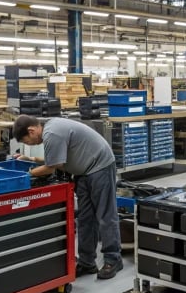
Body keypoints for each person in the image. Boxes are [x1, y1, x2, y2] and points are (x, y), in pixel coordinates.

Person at [13, 115, 123, 279]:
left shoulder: (52, 133)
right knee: (86, 218)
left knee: (105, 215)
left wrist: (26, 175)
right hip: (83, 172)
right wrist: (32, 159)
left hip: (100, 166)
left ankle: (113, 259)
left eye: (26, 141)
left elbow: (51, 167)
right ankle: (87, 263)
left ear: (32, 130)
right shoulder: (51, 130)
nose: (28, 144)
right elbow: (56, 159)